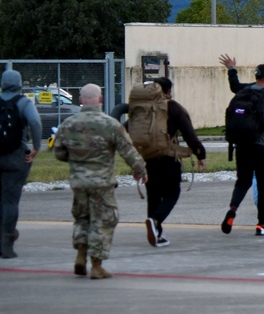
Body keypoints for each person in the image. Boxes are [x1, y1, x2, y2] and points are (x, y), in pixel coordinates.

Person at [52, 83, 147, 279]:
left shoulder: (68, 124)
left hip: (78, 182)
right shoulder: (110, 124)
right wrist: (140, 169)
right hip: (102, 182)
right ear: (100, 100)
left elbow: (59, 152)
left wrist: (78, 161)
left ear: (80, 100)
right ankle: (96, 265)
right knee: (103, 221)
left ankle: (80, 256)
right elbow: (128, 151)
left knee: (82, 218)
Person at [110, 77, 206, 248]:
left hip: (146, 158)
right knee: (172, 193)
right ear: (168, 92)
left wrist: (135, 161)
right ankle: (155, 222)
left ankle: (157, 234)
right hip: (168, 157)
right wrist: (200, 154)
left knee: (153, 195)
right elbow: (189, 133)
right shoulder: (172, 107)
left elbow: (125, 130)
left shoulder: (140, 110)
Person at [220, 53, 264, 227]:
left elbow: (234, 87)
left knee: (243, 181)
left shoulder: (243, 93)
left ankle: (233, 209)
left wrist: (231, 69)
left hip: (242, 144)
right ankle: (262, 223)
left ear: (255, 76)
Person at [0, 69, 42, 259]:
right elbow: (35, 122)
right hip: (16, 156)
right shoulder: (24, 102)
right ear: (20, 83)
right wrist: (36, 146)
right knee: (10, 200)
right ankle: (6, 242)